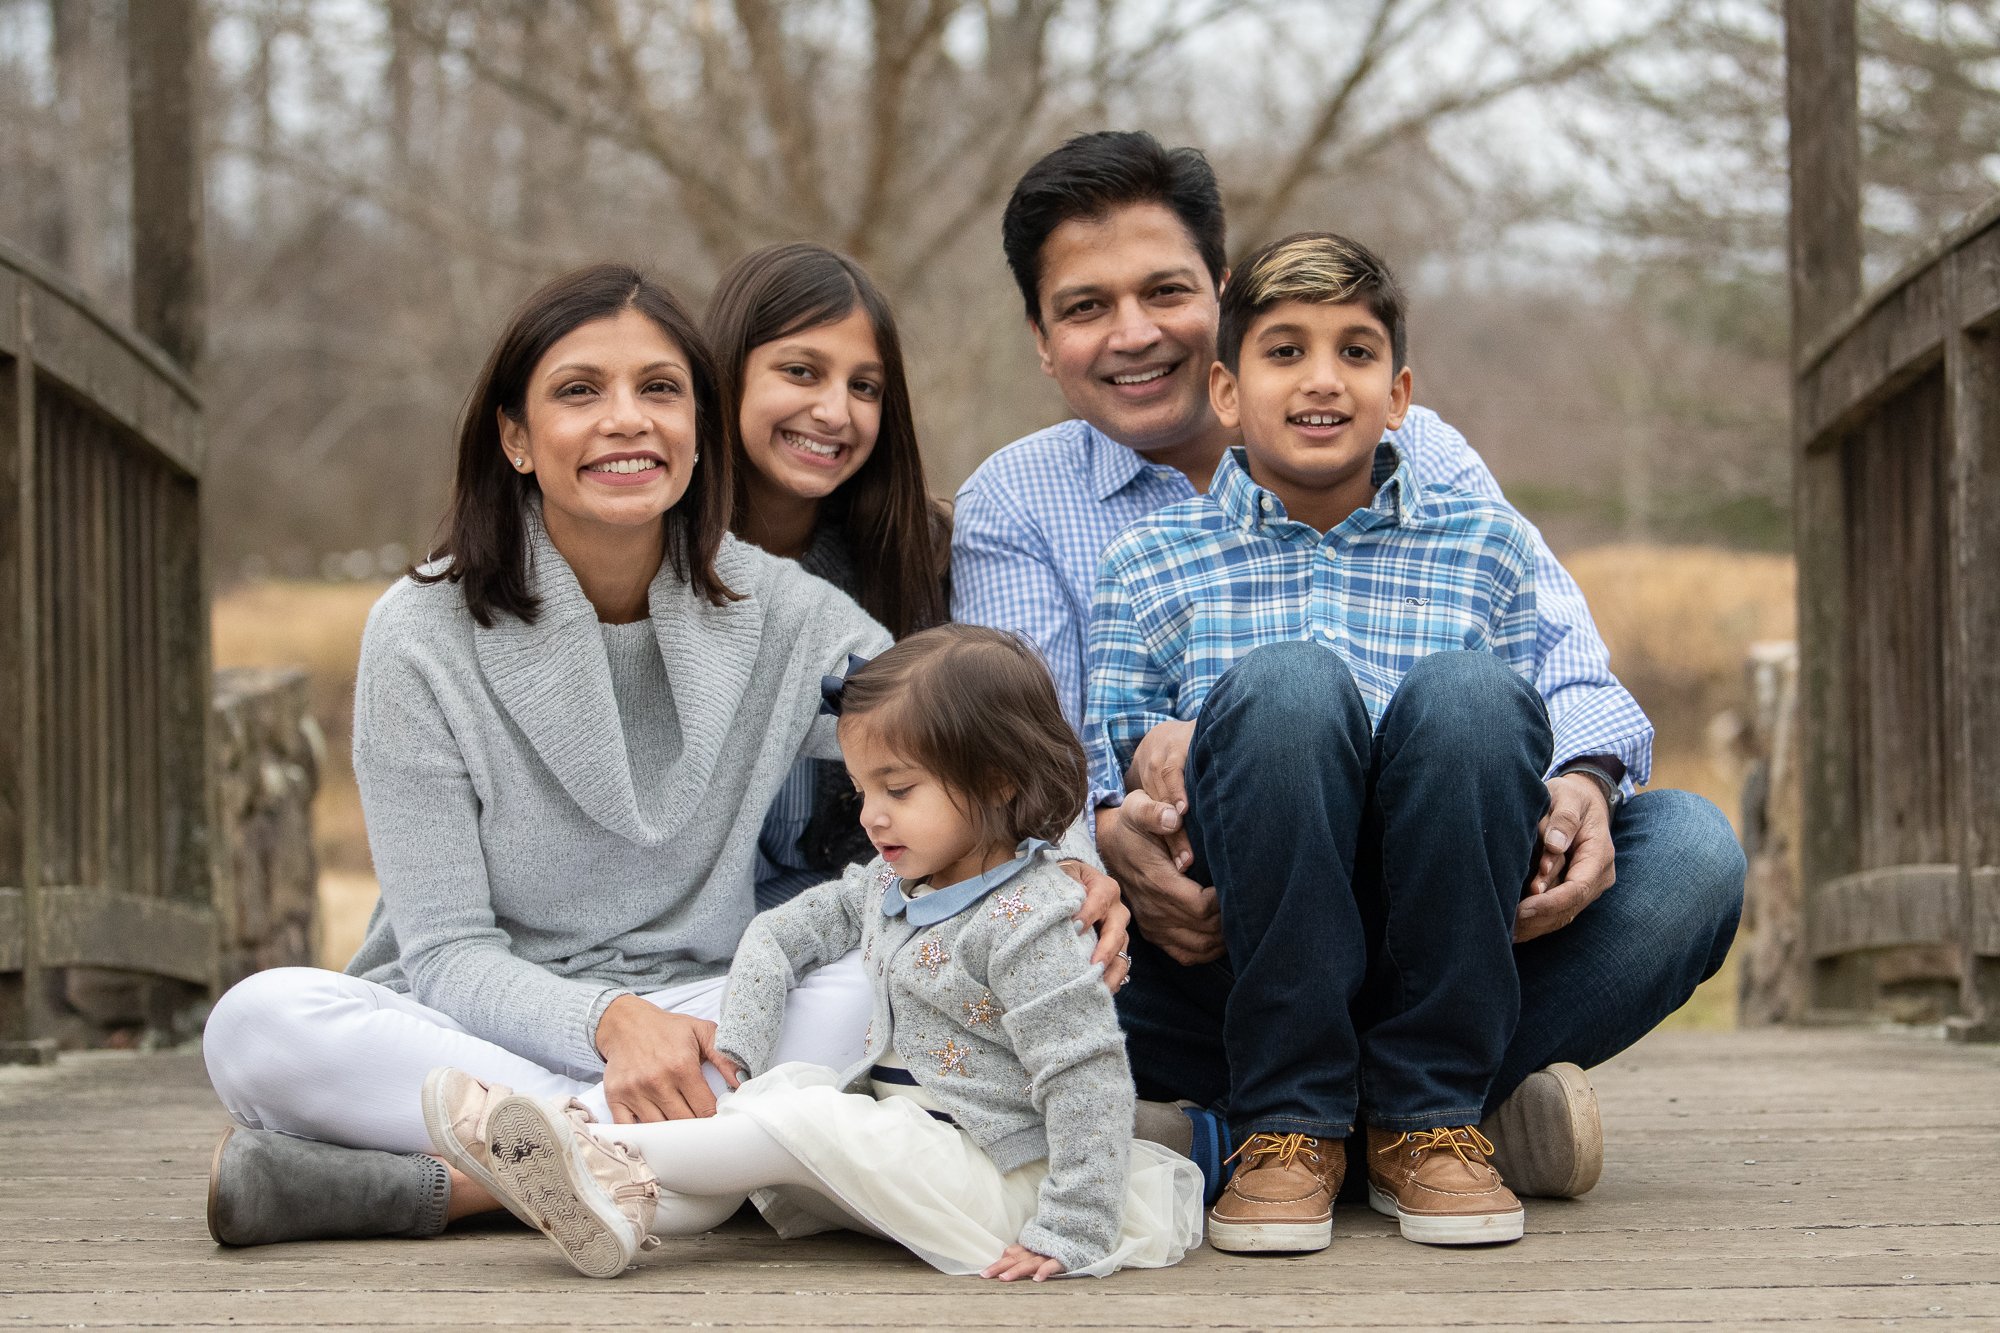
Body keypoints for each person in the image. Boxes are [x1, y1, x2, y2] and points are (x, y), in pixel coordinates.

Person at [197, 264, 1131, 1247]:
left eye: (658, 390)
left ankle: (502, 1172)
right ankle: (685, 1165)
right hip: (489, 1014)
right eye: (578, 392)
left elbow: (967, 726)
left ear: (697, 429)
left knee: (896, 972)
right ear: (514, 436)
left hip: (709, 1007)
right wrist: (606, 1024)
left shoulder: (779, 606)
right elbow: (444, 953)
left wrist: (1069, 858)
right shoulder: (419, 630)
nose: (625, 419)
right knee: (257, 1023)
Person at [953, 130, 1744, 1203]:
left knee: (1691, 854)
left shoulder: (1423, 456)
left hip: (1443, 915)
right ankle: (1417, 1117)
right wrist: (1105, 833)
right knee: (1009, 937)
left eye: (1164, 291)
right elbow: (1027, 756)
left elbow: (1564, 667)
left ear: (1220, 294)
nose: (1132, 333)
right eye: (1085, 307)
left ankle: (1311, 1120)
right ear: (1043, 343)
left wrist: (1582, 785)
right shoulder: (1019, 501)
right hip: (1205, 940)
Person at [424, 626, 1202, 1280]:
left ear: (994, 778)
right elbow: (777, 935)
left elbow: (1087, 1075)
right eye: (863, 790)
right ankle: (619, 1213)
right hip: (903, 1158)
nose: (872, 816)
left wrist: (1069, 1229)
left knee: (810, 1117)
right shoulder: (889, 886)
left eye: (899, 789)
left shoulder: (1029, 916)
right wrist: (743, 1055)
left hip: (997, 1183)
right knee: (776, 1106)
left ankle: (576, 1145)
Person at [1090, 232, 1549, 1250]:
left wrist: (1576, 785)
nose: (1320, 381)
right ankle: (1290, 1120)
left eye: (1353, 352)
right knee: (1287, 685)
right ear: (1223, 389)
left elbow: (1546, 717)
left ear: (1398, 395)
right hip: (1240, 934)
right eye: (1284, 351)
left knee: (1491, 708)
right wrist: (1143, 778)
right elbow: (1104, 768)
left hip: (1454, 919)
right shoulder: (1146, 566)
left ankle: (1429, 1113)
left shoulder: (1489, 544)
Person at [704, 243, 952, 909]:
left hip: (853, 918)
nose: (836, 412)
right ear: (727, 374)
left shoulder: (919, 555)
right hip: (676, 941)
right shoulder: (649, 552)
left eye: (864, 386)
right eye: (801, 371)